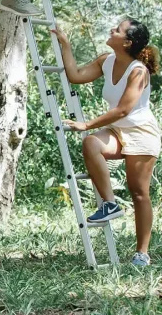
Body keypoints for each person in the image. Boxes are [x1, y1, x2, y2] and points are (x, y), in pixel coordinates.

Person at [52, 18, 160, 267]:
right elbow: (76, 76)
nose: (112, 29)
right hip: (118, 130)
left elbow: (123, 109)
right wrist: (65, 44)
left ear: (127, 42)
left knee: (139, 192)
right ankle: (110, 204)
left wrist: (87, 124)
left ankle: (142, 253)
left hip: (142, 132)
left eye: (118, 30)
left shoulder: (138, 71)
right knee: (91, 144)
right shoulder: (106, 61)